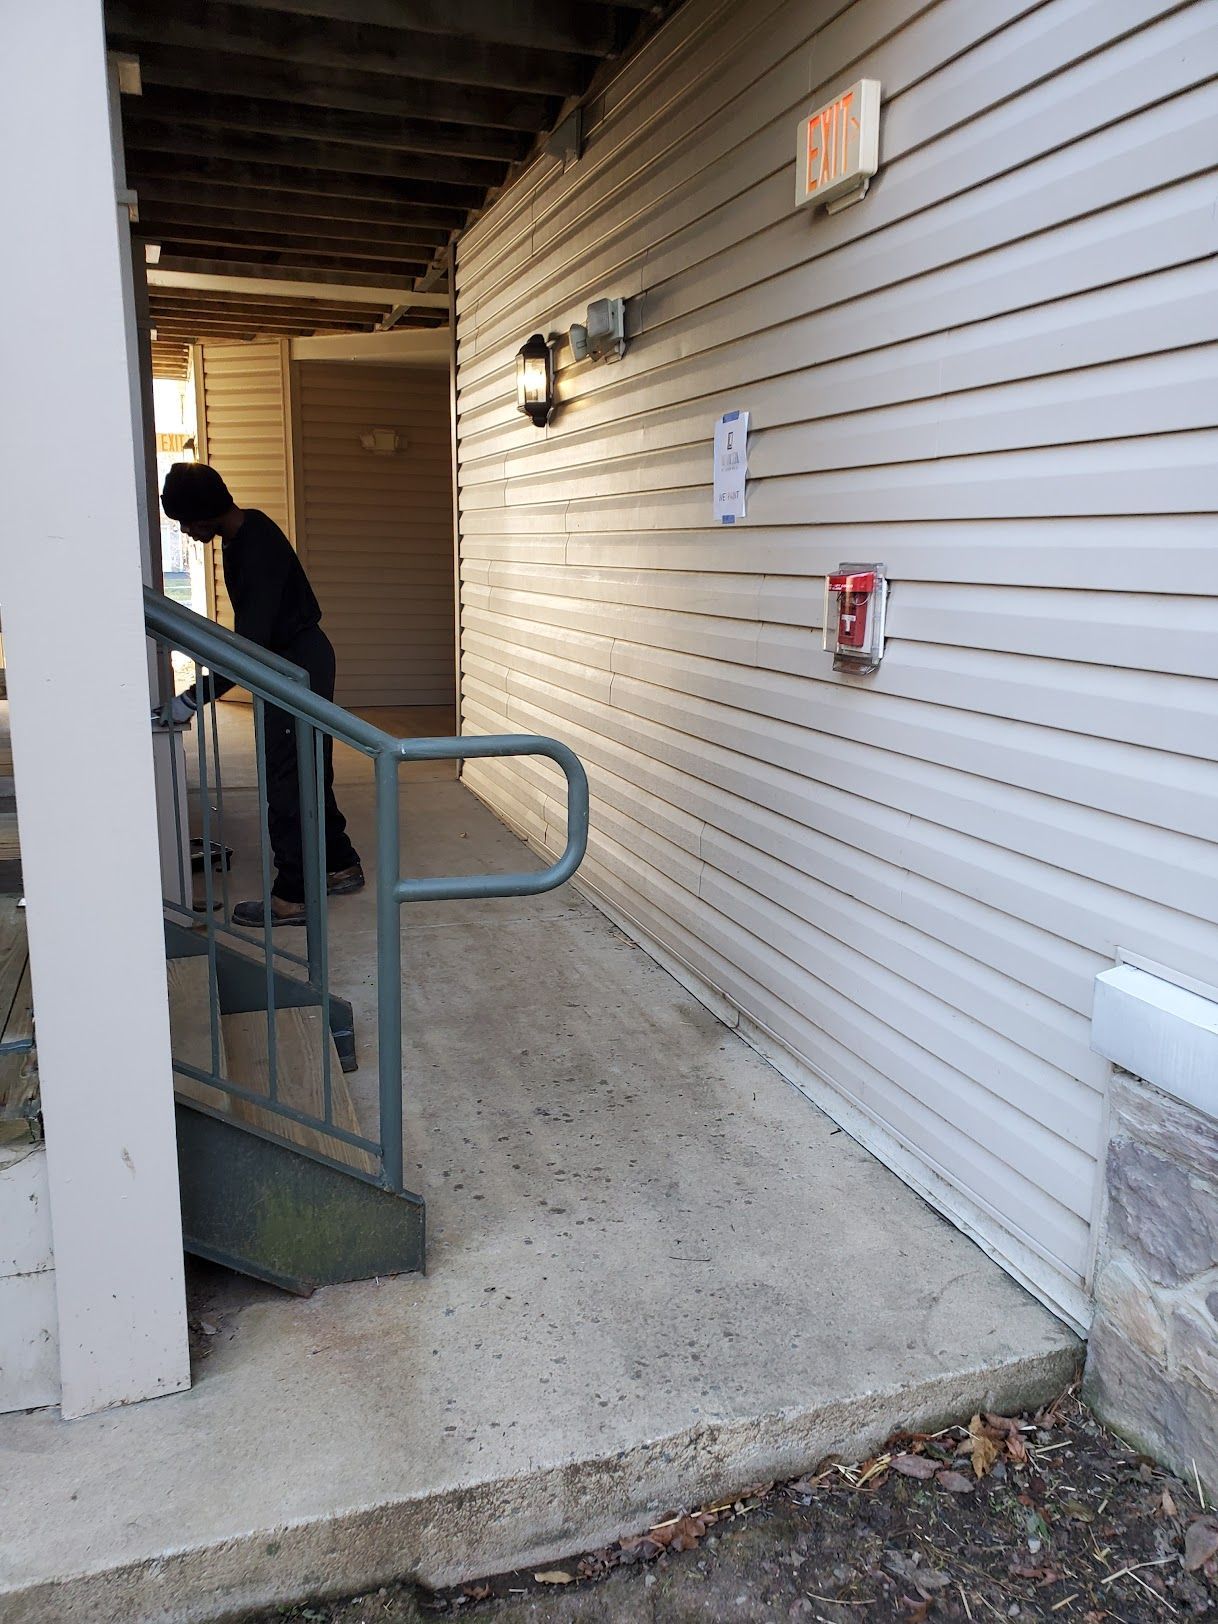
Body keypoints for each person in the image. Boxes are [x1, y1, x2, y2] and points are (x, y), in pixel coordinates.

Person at [154, 461, 363, 927]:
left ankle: (293, 897)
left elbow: (251, 647)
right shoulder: (245, 534)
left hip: (291, 664)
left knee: (286, 780)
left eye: (188, 521)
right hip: (296, 658)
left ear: (207, 512)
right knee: (307, 767)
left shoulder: (255, 546)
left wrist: (193, 696)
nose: (186, 531)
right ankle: (338, 863)